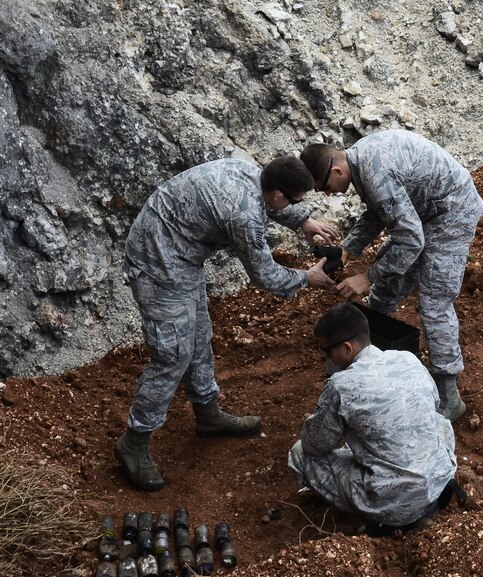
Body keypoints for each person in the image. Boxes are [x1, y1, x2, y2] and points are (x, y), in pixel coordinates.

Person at [117, 156, 339, 491]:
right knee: (173, 353)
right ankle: (133, 441)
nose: (294, 205)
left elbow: (273, 205)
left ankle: (207, 414)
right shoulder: (244, 216)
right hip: (156, 260)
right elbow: (266, 275)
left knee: (199, 334)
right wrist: (307, 277)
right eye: (295, 201)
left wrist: (303, 221)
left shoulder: (251, 172)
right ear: (279, 193)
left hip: (178, 251)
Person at [300, 131, 483, 422]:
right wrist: (348, 250)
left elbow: (410, 240)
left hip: (452, 211)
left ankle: (450, 397)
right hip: (423, 213)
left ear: (336, 171)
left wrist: (366, 277)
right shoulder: (360, 160)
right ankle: (368, 356)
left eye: (324, 187)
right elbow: (378, 212)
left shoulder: (375, 173)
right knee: (388, 284)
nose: (328, 194)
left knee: (434, 303)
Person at [287, 303, 458, 533]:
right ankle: (427, 502)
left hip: (390, 504)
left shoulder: (341, 385)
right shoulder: (408, 359)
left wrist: (317, 420)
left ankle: (384, 521)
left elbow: (315, 445)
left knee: (300, 452)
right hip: (437, 483)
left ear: (347, 348)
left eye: (327, 352)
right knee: (438, 422)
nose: (328, 358)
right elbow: (433, 406)